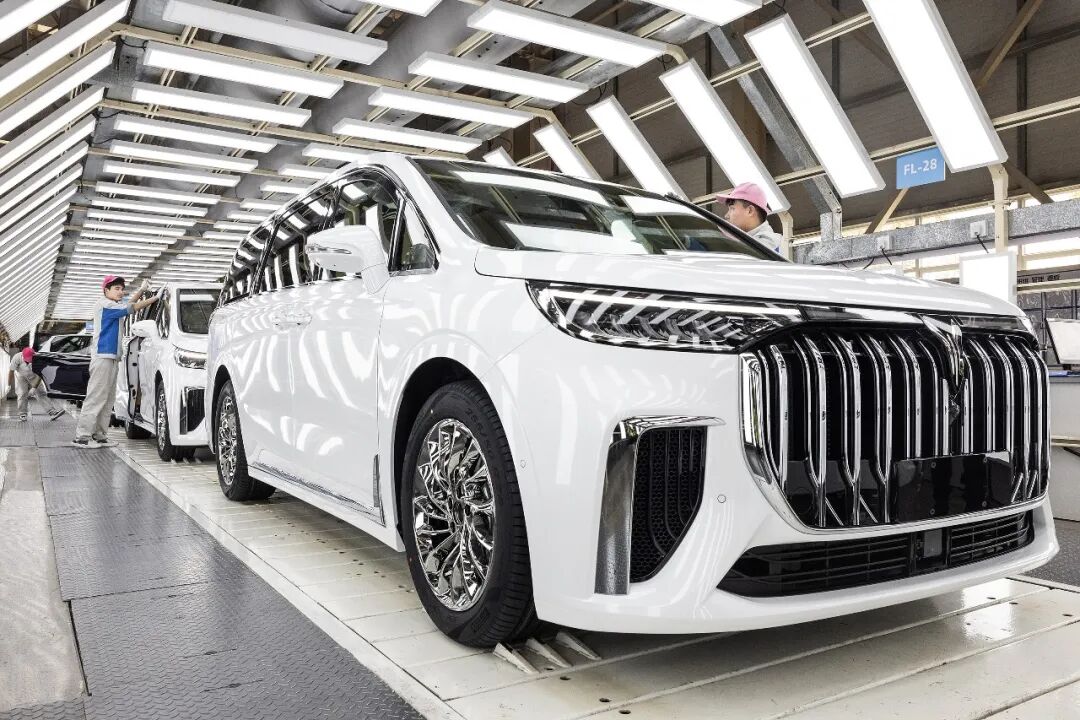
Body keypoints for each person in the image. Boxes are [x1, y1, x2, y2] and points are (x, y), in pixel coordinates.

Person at [73, 276, 157, 449]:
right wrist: (156, 298)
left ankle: (100, 435)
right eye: (117, 288)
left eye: (122, 289)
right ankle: (82, 437)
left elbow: (128, 305)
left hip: (111, 358)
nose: (121, 292)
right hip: (103, 357)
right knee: (96, 398)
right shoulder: (105, 305)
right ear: (106, 290)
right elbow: (132, 308)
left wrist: (141, 291)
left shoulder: (113, 305)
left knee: (107, 399)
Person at [716, 182, 784, 254]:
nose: (726, 215)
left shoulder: (768, 244)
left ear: (750, 211)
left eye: (732, 208)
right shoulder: (750, 242)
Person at [10, 347, 62, 422]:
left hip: (34, 376)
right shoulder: (17, 357)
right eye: (28, 359)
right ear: (23, 356)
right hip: (21, 376)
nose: (30, 361)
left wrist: (34, 387)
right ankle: (22, 413)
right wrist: (8, 384)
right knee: (22, 393)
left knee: (41, 392)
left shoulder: (38, 359)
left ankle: (52, 412)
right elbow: (11, 371)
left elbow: (40, 374)